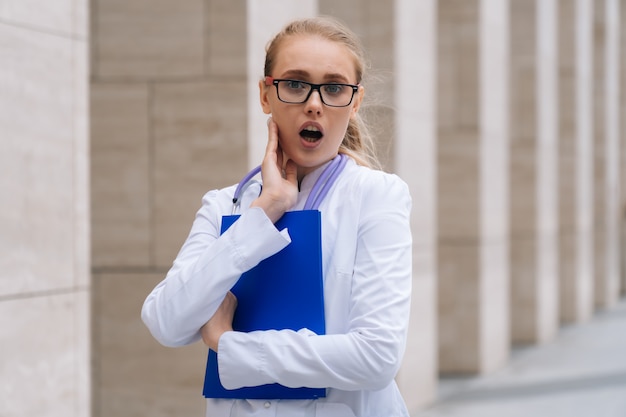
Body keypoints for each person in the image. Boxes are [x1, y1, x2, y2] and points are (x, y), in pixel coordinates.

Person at [141, 16, 413, 417]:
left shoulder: (377, 197)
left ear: (354, 102)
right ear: (266, 95)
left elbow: (377, 356)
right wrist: (261, 215)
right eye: (296, 84)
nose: (314, 104)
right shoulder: (224, 206)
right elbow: (165, 322)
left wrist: (231, 347)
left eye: (334, 87)